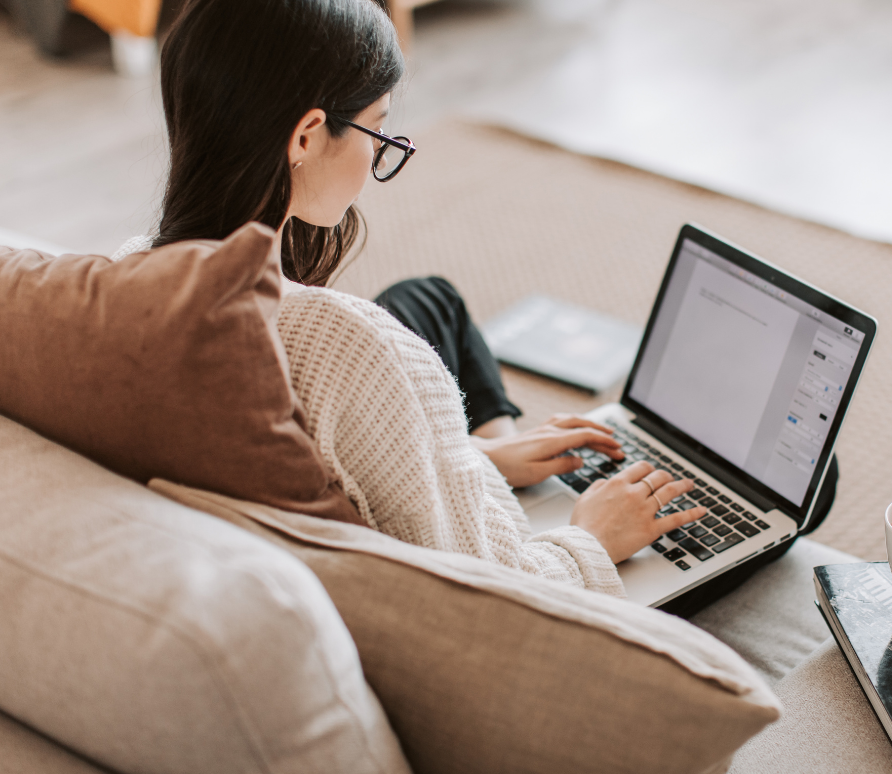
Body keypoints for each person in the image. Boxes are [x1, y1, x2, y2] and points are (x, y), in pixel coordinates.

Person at [115, 0, 835, 611]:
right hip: (512, 565)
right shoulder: (355, 348)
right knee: (812, 484)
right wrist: (591, 532)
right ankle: (530, 461)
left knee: (428, 300)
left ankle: (507, 431)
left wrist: (483, 455)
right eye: (377, 130)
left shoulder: (123, 274)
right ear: (305, 136)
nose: (379, 158)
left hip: (421, 446)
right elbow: (492, 591)